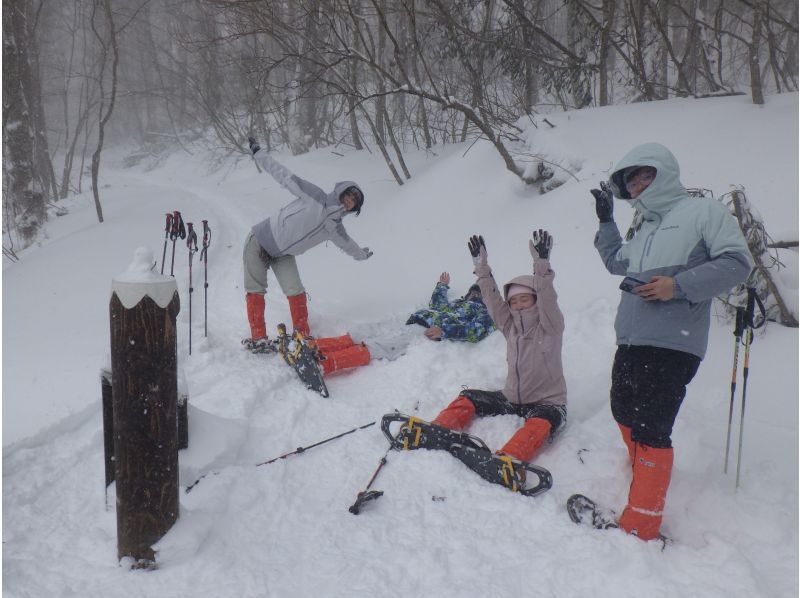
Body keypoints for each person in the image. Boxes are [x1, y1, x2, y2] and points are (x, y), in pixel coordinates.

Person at [590, 142, 753, 541]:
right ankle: (643, 473)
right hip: (631, 338)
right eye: (630, 180)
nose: (637, 184)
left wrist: (676, 285)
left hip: (672, 343)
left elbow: (737, 263)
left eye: (643, 174)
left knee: (650, 425)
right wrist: (607, 221)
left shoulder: (702, 213)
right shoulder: (644, 226)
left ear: (663, 172)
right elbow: (616, 263)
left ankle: (641, 524)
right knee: (623, 409)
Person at [408, 231, 567, 466]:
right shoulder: (510, 326)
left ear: (534, 300)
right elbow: (492, 302)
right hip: (512, 399)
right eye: (514, 301)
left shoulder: (550, 326)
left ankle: (509, 460)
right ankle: (438, 430)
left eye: (525, 299)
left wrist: (541, 266)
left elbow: (548, 298)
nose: (519, 304)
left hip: (548, 403)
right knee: (469, 397)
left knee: (541, 421)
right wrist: (481, 268)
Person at [242, 137, 372, 352]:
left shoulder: (335, 227)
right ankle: (258, 338)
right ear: (341, 191)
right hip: (260, 239)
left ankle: (302, 334)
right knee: (256, 290)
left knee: (296, 291)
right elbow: (283, 175)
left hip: (283, 255)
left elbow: (349, 245)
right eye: (348, 196)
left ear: (352, 209)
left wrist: (362, 255)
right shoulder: (315, 195)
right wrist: (259, 153)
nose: (348, 202)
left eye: (353, 203)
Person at [405, 272, 495, 342]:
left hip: (431, 335)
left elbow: (476, 331)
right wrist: (442, 286)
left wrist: (444, 331)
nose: (475, 295)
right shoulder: (458, 302)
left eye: (479, 293)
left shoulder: (485, 311)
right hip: (415, 321)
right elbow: (437, 305)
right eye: (472, 292)